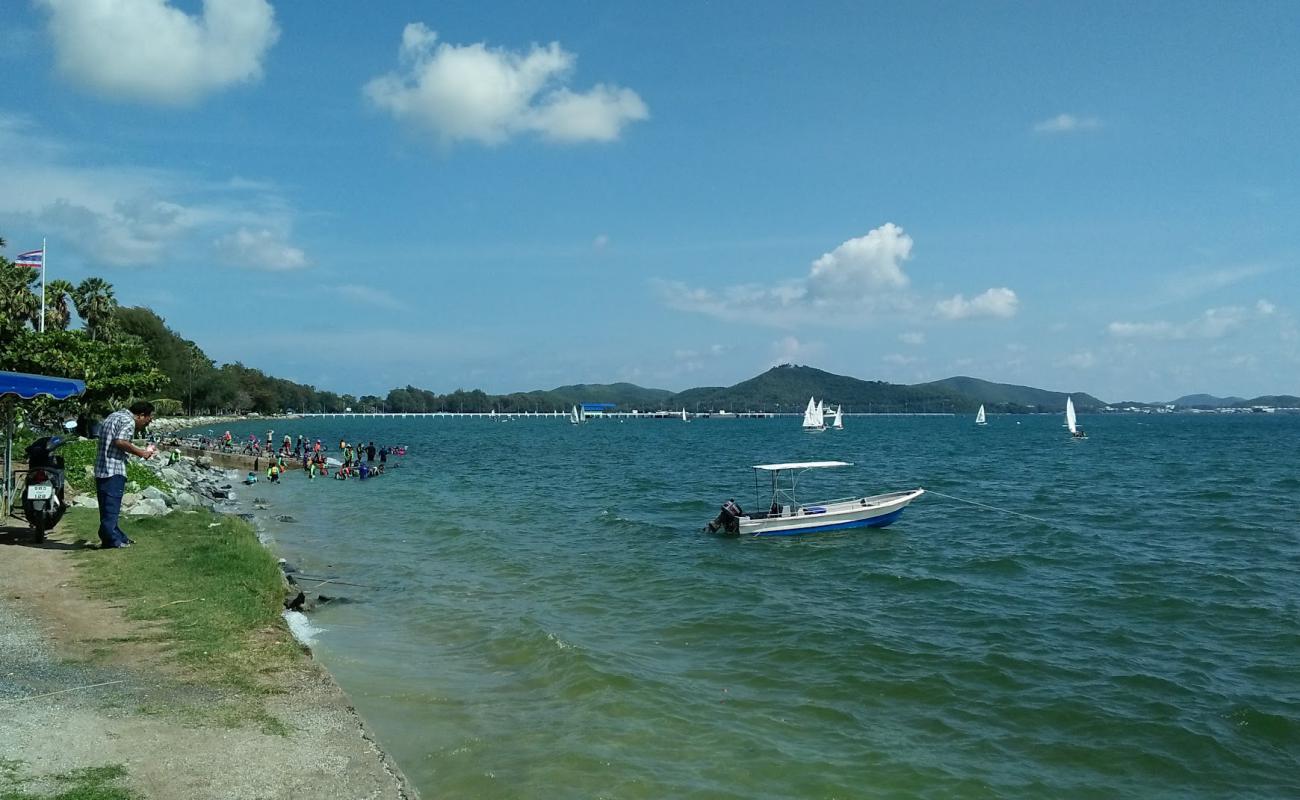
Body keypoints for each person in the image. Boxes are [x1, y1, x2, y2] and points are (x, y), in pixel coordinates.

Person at [94, 401, 156, 549]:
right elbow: (120, 441)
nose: (148, 422)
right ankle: (112, 540)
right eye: (148, 419)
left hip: (101, 467)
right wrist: (141, 452)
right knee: (112, 507)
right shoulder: (128, 421)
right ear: (141, 415)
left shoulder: (113, 416)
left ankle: (117, 536)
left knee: (105, 508)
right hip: (113, 469)